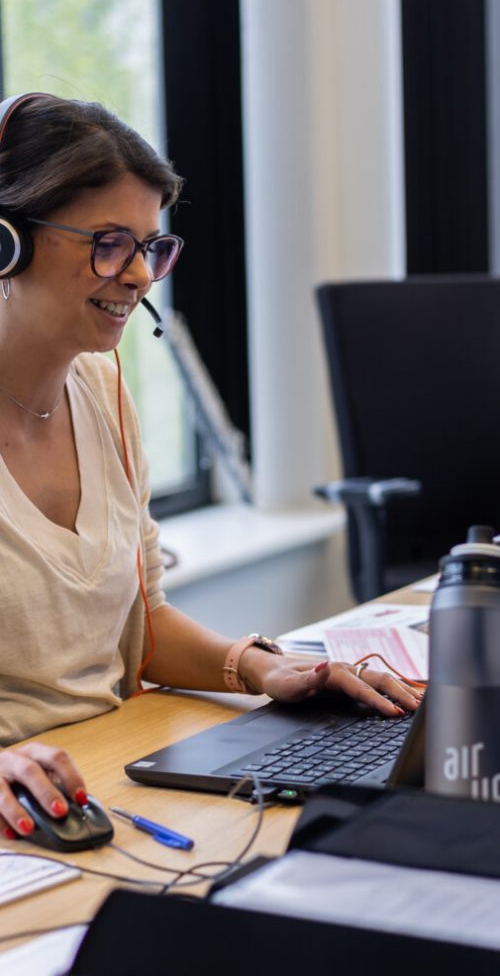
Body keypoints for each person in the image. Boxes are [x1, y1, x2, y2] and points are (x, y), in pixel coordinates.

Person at [0, 92, 421, 841]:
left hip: (105, 773)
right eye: (107, 242)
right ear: (7, 241)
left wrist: (262, 666)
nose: (137, 276)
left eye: (150, 247)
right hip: (26, 808)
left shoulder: (100, 391)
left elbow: (142, 627)